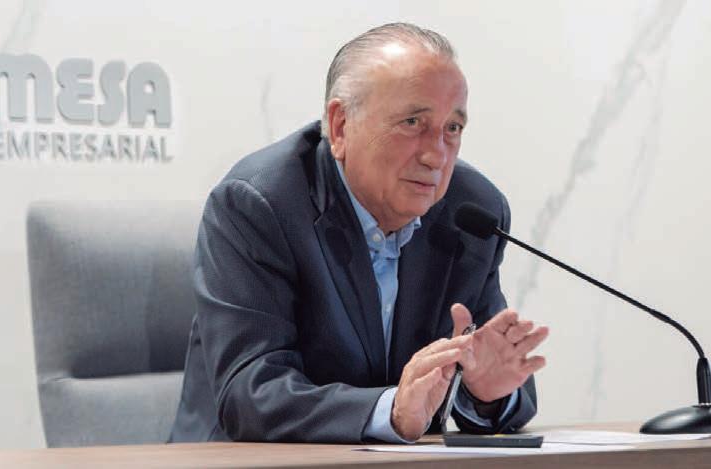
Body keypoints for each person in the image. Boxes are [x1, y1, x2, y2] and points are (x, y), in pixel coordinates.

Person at [170, 22, 549, 444]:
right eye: (413, 122)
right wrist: (390, 411)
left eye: (452, 129)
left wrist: (485, 393)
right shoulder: (260, 204)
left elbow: (500, 378)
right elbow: (251, 393)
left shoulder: (471, 212)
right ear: (340, 126)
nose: (436, 155)